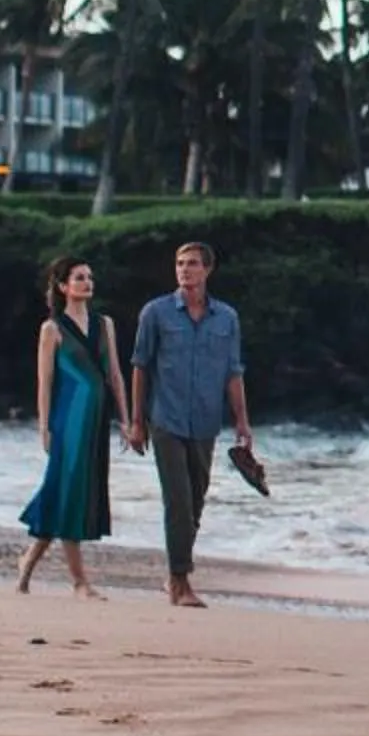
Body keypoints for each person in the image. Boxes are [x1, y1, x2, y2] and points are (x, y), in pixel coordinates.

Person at [129, 240, 251, 609]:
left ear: (208, 269)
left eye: (193, 263)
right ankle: (180, 581)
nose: (184, 270)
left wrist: (242, 421)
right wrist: (137, 421)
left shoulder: (226, 318)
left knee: (195, 502)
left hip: (206, 421)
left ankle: (175, 573)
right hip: (165, 419)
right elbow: (140, 366)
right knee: (178, 502)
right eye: (180, 263)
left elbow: (233, 372)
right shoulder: (156, 313)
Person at [16, 257, 132, 597]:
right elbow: (45, 382)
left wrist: (125, 420)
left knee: (64, 493)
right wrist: (44, 427)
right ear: (63, 286)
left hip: (96, 422)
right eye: (79, 278)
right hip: (67, 422)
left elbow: (114, 376)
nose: (87, 283)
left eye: (90, 277)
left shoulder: (104, 324)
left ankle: (28, 562)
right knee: (70, 493)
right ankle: (80, 582)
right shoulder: (51, 329)